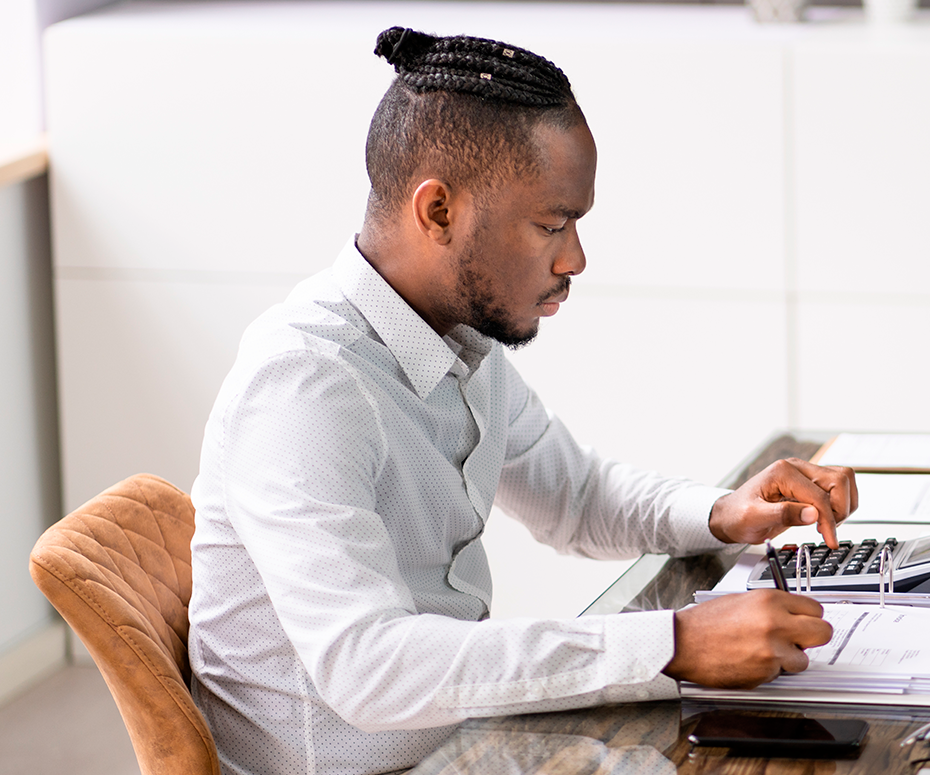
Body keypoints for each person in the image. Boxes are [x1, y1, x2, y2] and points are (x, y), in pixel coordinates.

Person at [187, 27, 858, 775]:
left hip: (468, 745)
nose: (575, 258)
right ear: (438, 211)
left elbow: (577, 496)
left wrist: (722, 512)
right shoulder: (304, 386)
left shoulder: (457, 338)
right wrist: (671, 644)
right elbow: (367, 668)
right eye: (551, 223)